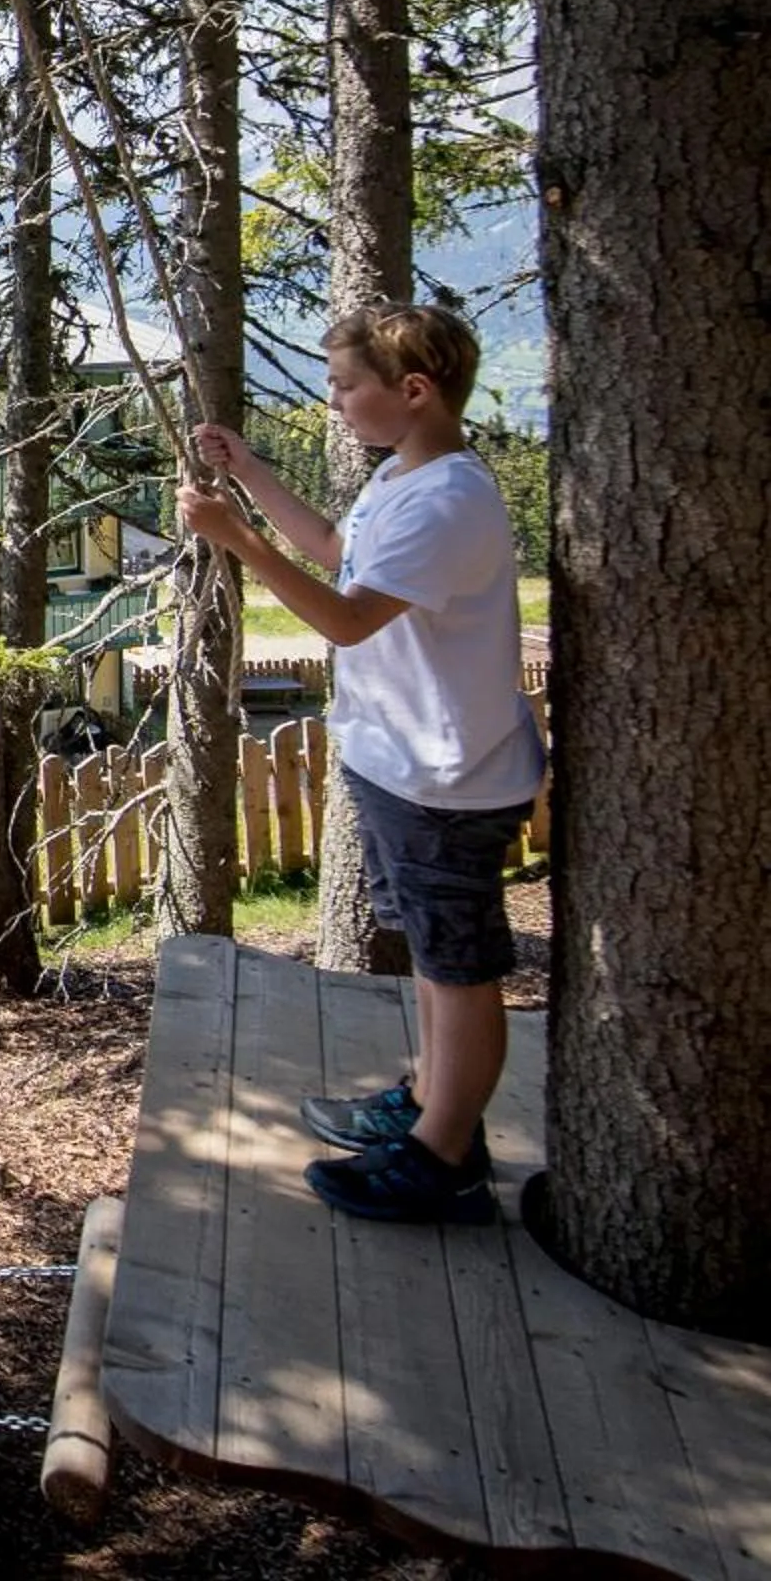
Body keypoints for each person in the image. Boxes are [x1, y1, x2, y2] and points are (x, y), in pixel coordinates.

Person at [178, 302, 545, 1226]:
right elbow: (344, 559)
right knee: (432, 955)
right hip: (403, 765)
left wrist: (237, 541)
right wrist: (251, 476)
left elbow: (344, 619)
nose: (334, 403)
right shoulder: (402, 478)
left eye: (347, 386)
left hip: (447, 779)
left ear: (413, 392)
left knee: (459, 970)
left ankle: (445, 1159)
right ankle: (429, 1098)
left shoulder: (451, 500)